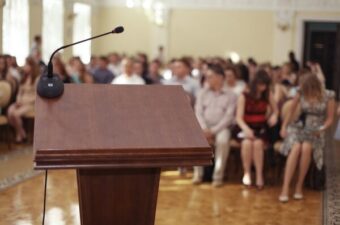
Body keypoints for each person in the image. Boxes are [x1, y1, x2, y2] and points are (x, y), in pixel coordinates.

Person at [279, 73, 335, 202]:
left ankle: (299, 185)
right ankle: (285, 187)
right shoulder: (300, 92)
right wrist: (283, 126)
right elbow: (291, 111)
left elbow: (330, 119)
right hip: (299, 126)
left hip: (317, 129)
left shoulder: (328, 95)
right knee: (296, 148)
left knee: (306, 148)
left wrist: (321, 129)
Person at [193, 64, 237, 187]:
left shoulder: (231, 95)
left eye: (210, 77)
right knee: (197, 139)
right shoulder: (202, 93)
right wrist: (204, 128)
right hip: (204, 126)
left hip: (221, 127)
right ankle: (198, 174)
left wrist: (213, 131)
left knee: (223, 141)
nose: (207, 79)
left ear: (220, 77)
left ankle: (218, 176)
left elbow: (228, 117)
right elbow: (198, 112)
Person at [236, 70, 278, 189]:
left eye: (265, 85)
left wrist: (274, 115)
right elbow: (239, 118)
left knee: (258, 144)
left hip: (261, 128)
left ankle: (259, 175)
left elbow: (276, 110)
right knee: (247, 144)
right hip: (245, 127)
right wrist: (246, 129)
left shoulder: (267, 94)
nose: (263, 88)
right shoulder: (244, 95)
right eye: (261, 85)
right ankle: (247, 173)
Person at [7, 57, 40, 143]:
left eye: (27, 65)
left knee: (15, 114)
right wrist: (18, 101)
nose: (25, 67)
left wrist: (25, 102)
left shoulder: (37, 79)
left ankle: (19, 135)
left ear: (32, 66)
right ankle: (22, 132)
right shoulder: (24, 78)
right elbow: (19, 92)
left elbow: (37, 95)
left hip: (31, 104)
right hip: (21, 102)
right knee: (10, 111)